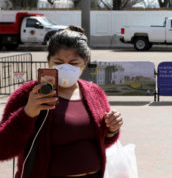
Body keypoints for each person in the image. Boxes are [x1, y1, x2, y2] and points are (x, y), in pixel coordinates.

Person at [0, 26, 123, 178]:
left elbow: (101, 141)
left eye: (73, 63)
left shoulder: (95, 93)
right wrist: (27, 114)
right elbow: (3, 149)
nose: (65, 68)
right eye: (58, 62)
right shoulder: (28, 93)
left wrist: (112, 129)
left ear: (85, 63)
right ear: (49, 61)